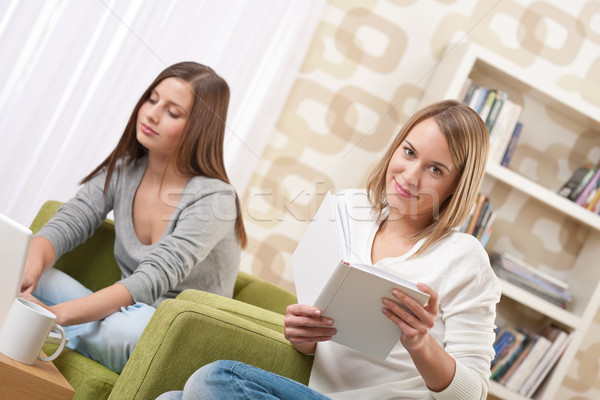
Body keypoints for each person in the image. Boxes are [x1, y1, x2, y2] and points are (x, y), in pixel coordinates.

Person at [155, 99, 501, 400]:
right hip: (318, 393)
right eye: (409, 153)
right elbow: (321, 343)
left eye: (435, 170)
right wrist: (303, 336)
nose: (410, 176)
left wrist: (421, 344)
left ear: (456, 186)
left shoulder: (463, 259)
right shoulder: (350, 211)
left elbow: (472, 394)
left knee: (213, 381)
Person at [20, 61, 247, 374]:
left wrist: (55, 316)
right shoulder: (126, 169)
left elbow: (150, 279)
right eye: (152, 99)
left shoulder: (215, 198)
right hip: (122, 312)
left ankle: (51, 332)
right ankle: (67, 335)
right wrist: (28, 269)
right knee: (13, 270)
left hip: (166, 330)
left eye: (172, 112)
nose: (151, 114)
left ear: (199, 129)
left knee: (122, 330)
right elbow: (70, 220)